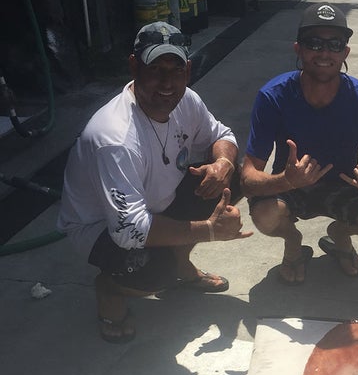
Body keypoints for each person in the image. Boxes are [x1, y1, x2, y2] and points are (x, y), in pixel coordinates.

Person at [58, 21, 251, 343]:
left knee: (235, 176)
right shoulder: (115, 138)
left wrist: (223, 162)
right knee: (155, 274)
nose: (166, 82)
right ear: (134, 66)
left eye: (175, 70)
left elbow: (222, 136)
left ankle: (182, 266)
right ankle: (109, 290)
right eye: (155, 69)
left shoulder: (186, 99)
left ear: (187, 70)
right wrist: (211, 230)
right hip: (101, 228)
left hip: (158, 201)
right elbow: (129, 231)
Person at [240, 3, 358, 284]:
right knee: (265, 215)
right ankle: (293, 242)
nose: (324, 52)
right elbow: (248, 178)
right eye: (314, 43)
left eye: (335, 44)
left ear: (345, 52)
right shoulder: (273, 96)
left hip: (344, 185)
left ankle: (340, 233)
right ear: (298, 49)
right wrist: (286, 180)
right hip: (291, 186)